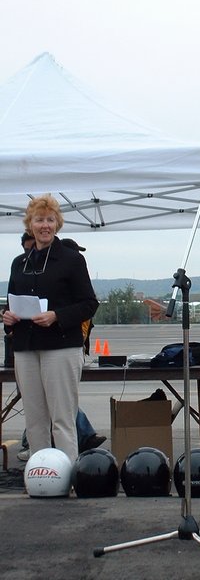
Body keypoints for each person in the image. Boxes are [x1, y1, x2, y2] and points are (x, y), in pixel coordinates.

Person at [3, 195, 99, 464]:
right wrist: (7, 317)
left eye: (49, 220)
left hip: (61, 346)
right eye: (38, 220)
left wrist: (57, 315)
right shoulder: (19, 263)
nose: (44, 225)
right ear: (29, 225)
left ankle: (67, 473)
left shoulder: (71, 260)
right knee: (35, 419)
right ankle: (40, 472)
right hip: (26, 347)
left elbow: (89, 304)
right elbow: (12, 301)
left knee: (62, 419)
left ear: (57, 223)